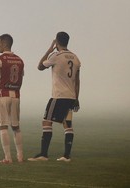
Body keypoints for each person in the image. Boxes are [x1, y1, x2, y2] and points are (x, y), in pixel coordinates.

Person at [28, 32, 82, 162]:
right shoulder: (75, 58)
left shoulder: (56, 56)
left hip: (59, 96)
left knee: (46, 121)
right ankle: (66, 156)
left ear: (57, 42)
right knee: (67, 124)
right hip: (71, 96)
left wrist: (49, 49)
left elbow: (40, 66)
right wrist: (76, 98)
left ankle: (43, 154)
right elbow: (77, 80)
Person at [0, 34, 25, 164]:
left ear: (4, 44)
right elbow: (21, 78)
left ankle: (8, 158)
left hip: (2, 94)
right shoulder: (20, 60)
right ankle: (20, 157)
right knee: (16, 126)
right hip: (16, 95)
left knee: (3, 126)